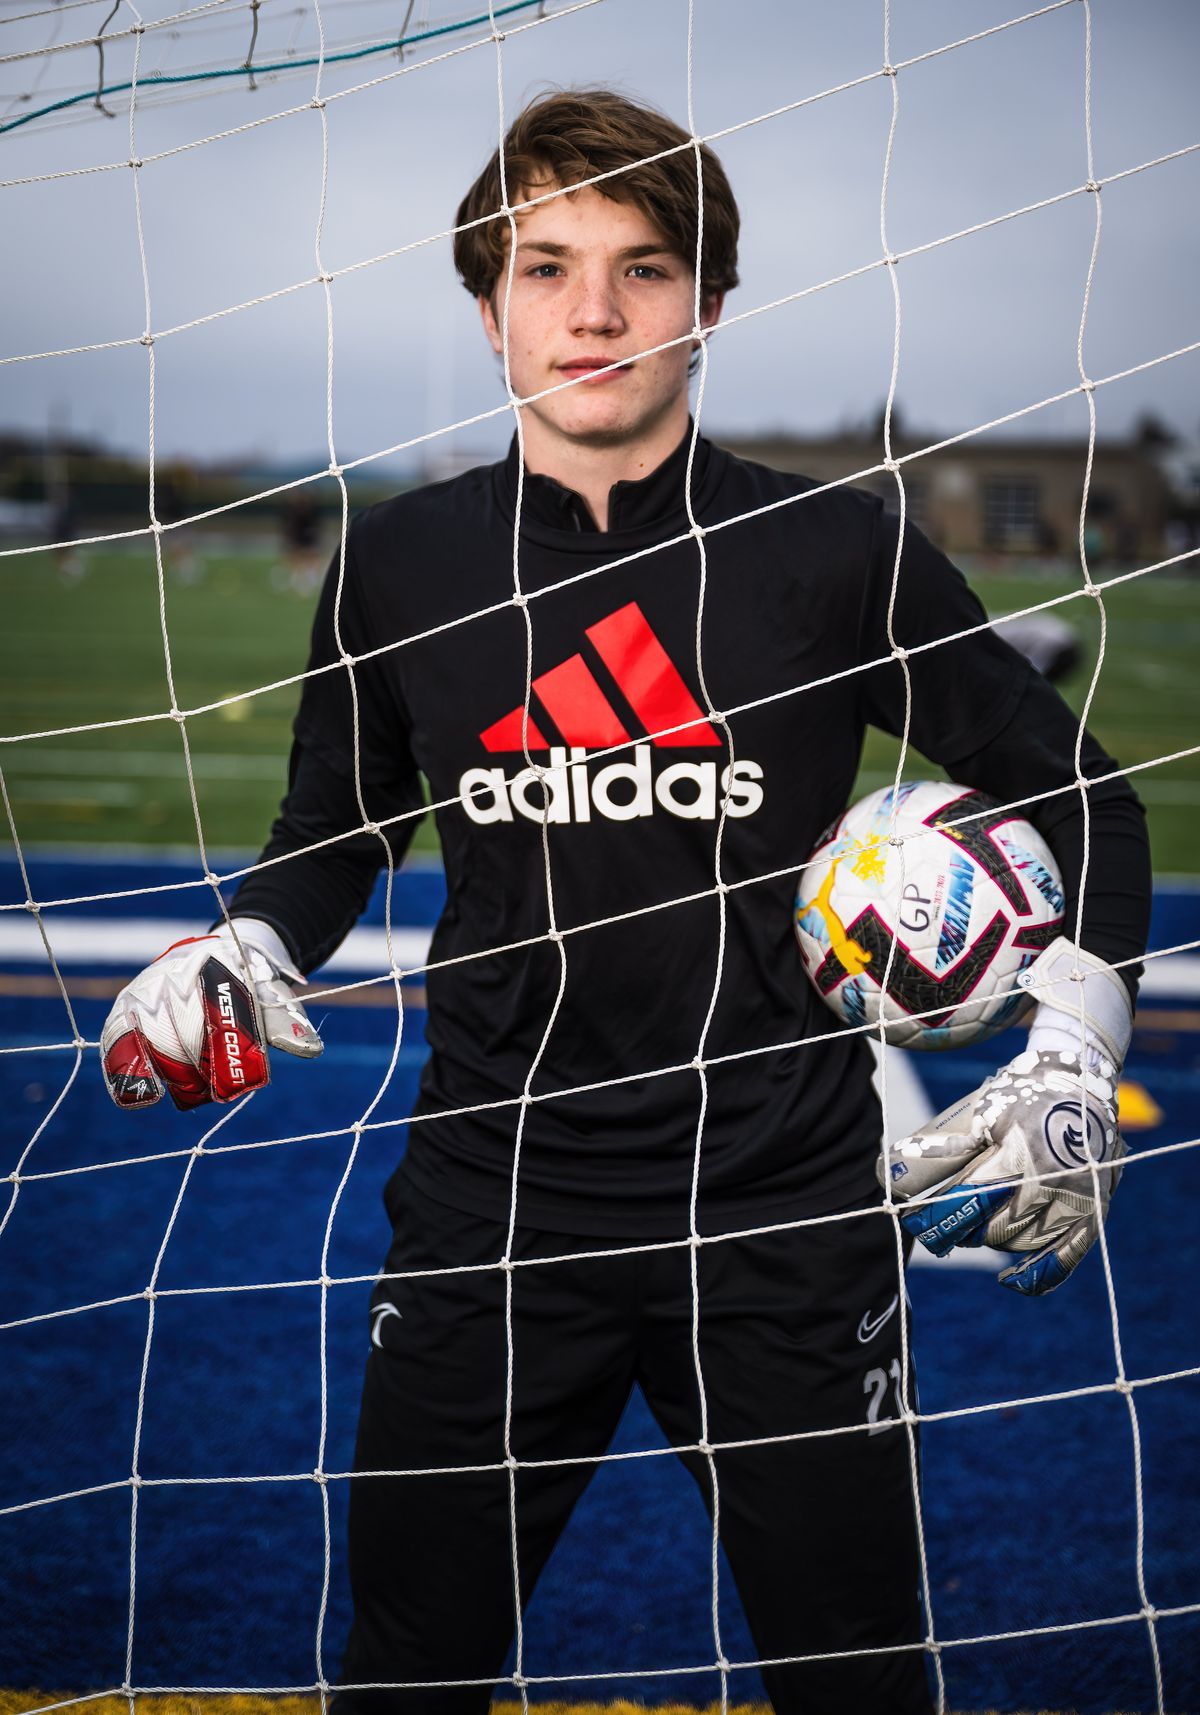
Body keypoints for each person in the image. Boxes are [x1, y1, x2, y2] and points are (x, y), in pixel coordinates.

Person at [99, 90, 1151, 1713]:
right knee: (410, 1671)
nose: (594, 310)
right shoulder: (403, 563)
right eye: (547, 265)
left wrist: (1076, 1039)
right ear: (486, 301)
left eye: (645, 269)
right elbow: (337, 825)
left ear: (710, 303)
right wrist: (246, 936)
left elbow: (1090, 797)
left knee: (862, 1676)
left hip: (784, 1211)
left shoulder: (826, 553)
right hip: (490, 1209)